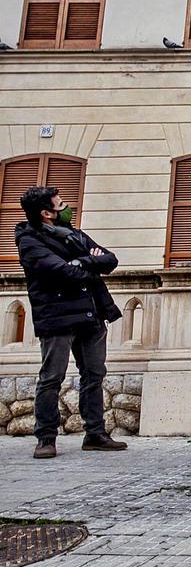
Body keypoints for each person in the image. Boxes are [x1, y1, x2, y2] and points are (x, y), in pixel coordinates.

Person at [15, 187, 125, 459]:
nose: (67, 208)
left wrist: (82, 260)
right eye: (61, 204)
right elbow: (61, 272)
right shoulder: (30, 240)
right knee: (52, 378)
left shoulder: (74, 235)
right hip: (58, 318)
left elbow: (110, 260)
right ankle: (46, 438)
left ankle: (95, 434)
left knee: (94, 374)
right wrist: (90, 262)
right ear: (46, 213)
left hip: (91, 314)